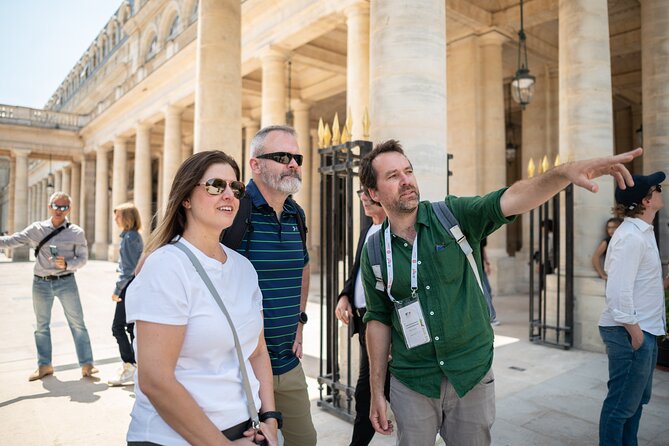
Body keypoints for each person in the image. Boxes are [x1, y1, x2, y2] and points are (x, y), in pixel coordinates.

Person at [357, 139, 642, 446]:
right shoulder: (374, 250)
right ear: (373, 193)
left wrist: (563, 174)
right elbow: (378, 319)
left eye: (408, 171)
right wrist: (376, 389)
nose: (406, 180)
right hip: (412, 381)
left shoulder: (451, 216)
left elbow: (512, 198)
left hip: (471, 376)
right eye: (393, 176)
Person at [124, 150, 278, 445]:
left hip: (245, 429)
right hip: (173, 437)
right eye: (215, 185)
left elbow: (257, 352)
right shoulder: (166, 265)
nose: (229, 195)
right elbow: (155, 381)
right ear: (186, 198)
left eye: (236, 188)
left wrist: (270, 418)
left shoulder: (243, 268)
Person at [224, 125, 317, 445]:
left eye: (296, 157)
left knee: (305, 440)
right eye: (281, 156)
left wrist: (300, 322)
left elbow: (303, 267)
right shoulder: (234, 212)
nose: (292, 163)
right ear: (255, 164)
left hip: (288, 363)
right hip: (241, 369)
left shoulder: (296, 214)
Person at [598, 171, 667, 446]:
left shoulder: (641, 233)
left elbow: (637, 284)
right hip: (630, 332)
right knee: (620, 408)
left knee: (635, 404)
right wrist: (636, 335)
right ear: (646, 200)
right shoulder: (630, 237)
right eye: (657, 188)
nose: (662, 191)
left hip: (642, 330)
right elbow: (617, 291)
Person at [0, 191, 96, 381]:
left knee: (78, 324)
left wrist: (68, 264)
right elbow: (12, 240)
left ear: (69, 209)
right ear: (49, 206)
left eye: (64, 207)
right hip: (41, 283)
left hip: (66, 281)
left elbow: (83, 259)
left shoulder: (76, 232)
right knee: (41, 326)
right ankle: (44, 366)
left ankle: (87, 365)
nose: (59, 210)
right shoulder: (37, 228)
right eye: (56, 206)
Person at [335, 189, 389, 446]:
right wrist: (344, 295)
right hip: (363, 322)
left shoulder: (392, 231)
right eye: (360, 192)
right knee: (381, 386)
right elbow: (356, 269)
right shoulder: (368, 228)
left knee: (367, 389)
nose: (363, 199)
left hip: (381, 324)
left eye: (368, 193)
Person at [108, 202, 143, 386]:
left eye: (118, 215)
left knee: (118, 327)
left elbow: (129, 269)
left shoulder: (130, 238)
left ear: (127, 218)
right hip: (132, 285)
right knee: (130, 327)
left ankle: (130, 365)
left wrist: (117, 290)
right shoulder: (132, 236)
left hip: (127, 285)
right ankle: (135, 365)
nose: (115, 219)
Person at [480, 237, 499, 326]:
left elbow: (482, 248)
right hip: (472, 268)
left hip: (481, 268)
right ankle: (489, 317)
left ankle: (489, 317)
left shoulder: (483, 233)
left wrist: (487, 263)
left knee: (488, 290)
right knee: (485, 291)